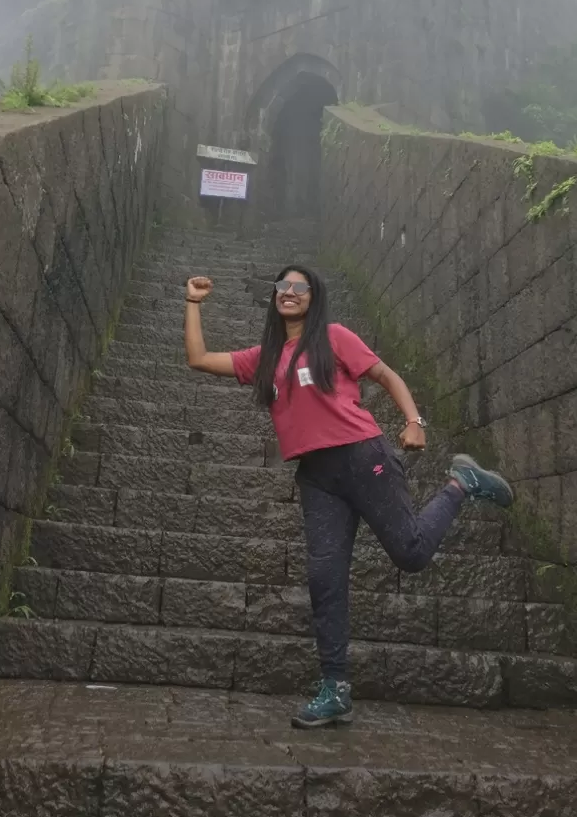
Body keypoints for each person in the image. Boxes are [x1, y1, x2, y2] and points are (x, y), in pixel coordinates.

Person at [184, 263, 515, 729]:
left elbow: (387, 376)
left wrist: (414, 422)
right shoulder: (265, 356)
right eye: (283, 285)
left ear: (314, 298)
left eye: (300, 287)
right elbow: (198, 359)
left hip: (363, 456)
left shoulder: (334, 337)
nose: (290, 292)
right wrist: (194, 303)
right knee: (324, 579)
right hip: (317, 476)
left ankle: (462, 482)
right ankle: (334, 687)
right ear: (274, 296)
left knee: (412, 553)